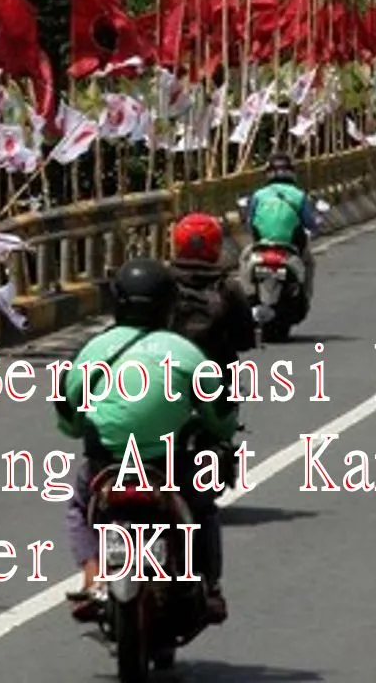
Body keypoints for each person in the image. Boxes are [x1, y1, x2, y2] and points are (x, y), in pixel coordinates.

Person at [57, 259, 236, 623]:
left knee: (80, 506)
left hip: (106, 463)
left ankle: (92, 576)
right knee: (201, 508)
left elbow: (68, 418)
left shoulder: (94, 350)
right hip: (166, 465)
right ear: (168, 304)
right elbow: (221, 416)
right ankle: (211, 587)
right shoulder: (185, 352)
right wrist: (215, 432)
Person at [167, 212, 256, 398]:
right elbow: (245, 339)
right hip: (217, 375)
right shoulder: (228, 287)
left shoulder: (162, 283)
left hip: (167, 370)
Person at [244, 152, 321, 306]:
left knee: (244, 258)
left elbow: (249, 222)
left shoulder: (259, 195)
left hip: (261, 247)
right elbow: (310, 224)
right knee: (309, 263)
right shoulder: (299, 195)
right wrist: (317, 224)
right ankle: (305, 297)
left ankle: (248, 294)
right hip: (290, 249)